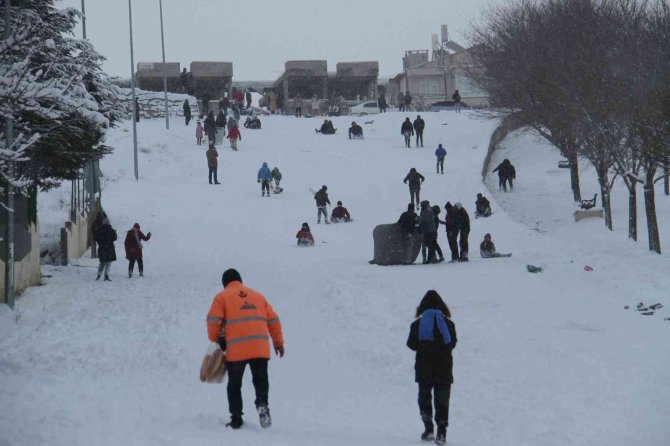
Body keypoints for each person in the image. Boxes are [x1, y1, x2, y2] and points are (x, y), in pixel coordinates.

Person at [206, 268, 284, 429]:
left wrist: (216, 339)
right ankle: (262, 403)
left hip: (236, 349)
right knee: (260, 380)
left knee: (234, 384)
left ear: (224, 283)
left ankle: (236, 418)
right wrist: (278, 343)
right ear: (240, 280)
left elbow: (213, 320)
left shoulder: (222, 297)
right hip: (259, 347)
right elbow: (273, 320)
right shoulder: (257, 296)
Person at [406, 290, 457, 445]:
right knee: (442, 399)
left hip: (424, 367)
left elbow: (411, 344)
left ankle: (428, 429)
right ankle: (441, 432)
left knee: (424, 398)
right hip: (444, 367)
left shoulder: (417, 324)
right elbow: (452, 343)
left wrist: (425, 346)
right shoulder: (448, 324)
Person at [94, 216, 117, 282]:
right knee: (108, 263)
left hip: (102, 249)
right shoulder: (111, 230)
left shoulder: (99, 230)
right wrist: (115, 233)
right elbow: (115, 238)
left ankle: (98, 275)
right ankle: (106, 276)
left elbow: (95, 238)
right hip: (109, 249)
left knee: (102, 263)